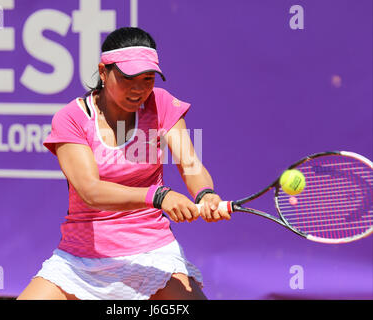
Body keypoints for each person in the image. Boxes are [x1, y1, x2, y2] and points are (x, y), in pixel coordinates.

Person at [17, 27, 231, 300]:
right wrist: (159, 195)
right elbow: (91, 191)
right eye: (128, 78)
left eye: (148, 78)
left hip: (153, 254)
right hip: (80, 260)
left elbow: (191, 165)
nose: (139, 89)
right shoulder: (72, 118)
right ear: (103, 72)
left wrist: (206, 194)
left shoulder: (162, 104)